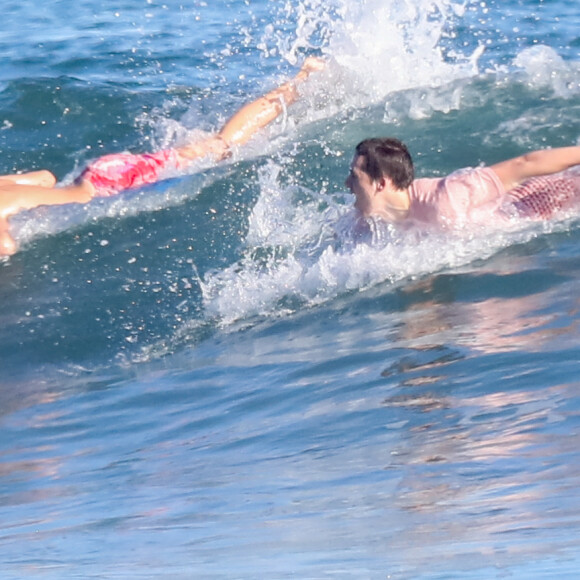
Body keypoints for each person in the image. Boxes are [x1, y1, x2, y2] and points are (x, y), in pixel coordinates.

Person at [0, 57, 325, 256]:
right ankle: (299, 86)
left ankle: (302, 81)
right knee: (214, 145)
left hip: (110, 185)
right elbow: (46, 178)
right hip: (99, 173)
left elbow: (7, 247)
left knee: (224, 145)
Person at [345, 137, 580, 238]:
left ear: (382, 183)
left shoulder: (449, 196)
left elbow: (524, 165)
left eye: (354, 177)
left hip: (541, 201)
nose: (348, 185)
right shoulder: (364, 223)